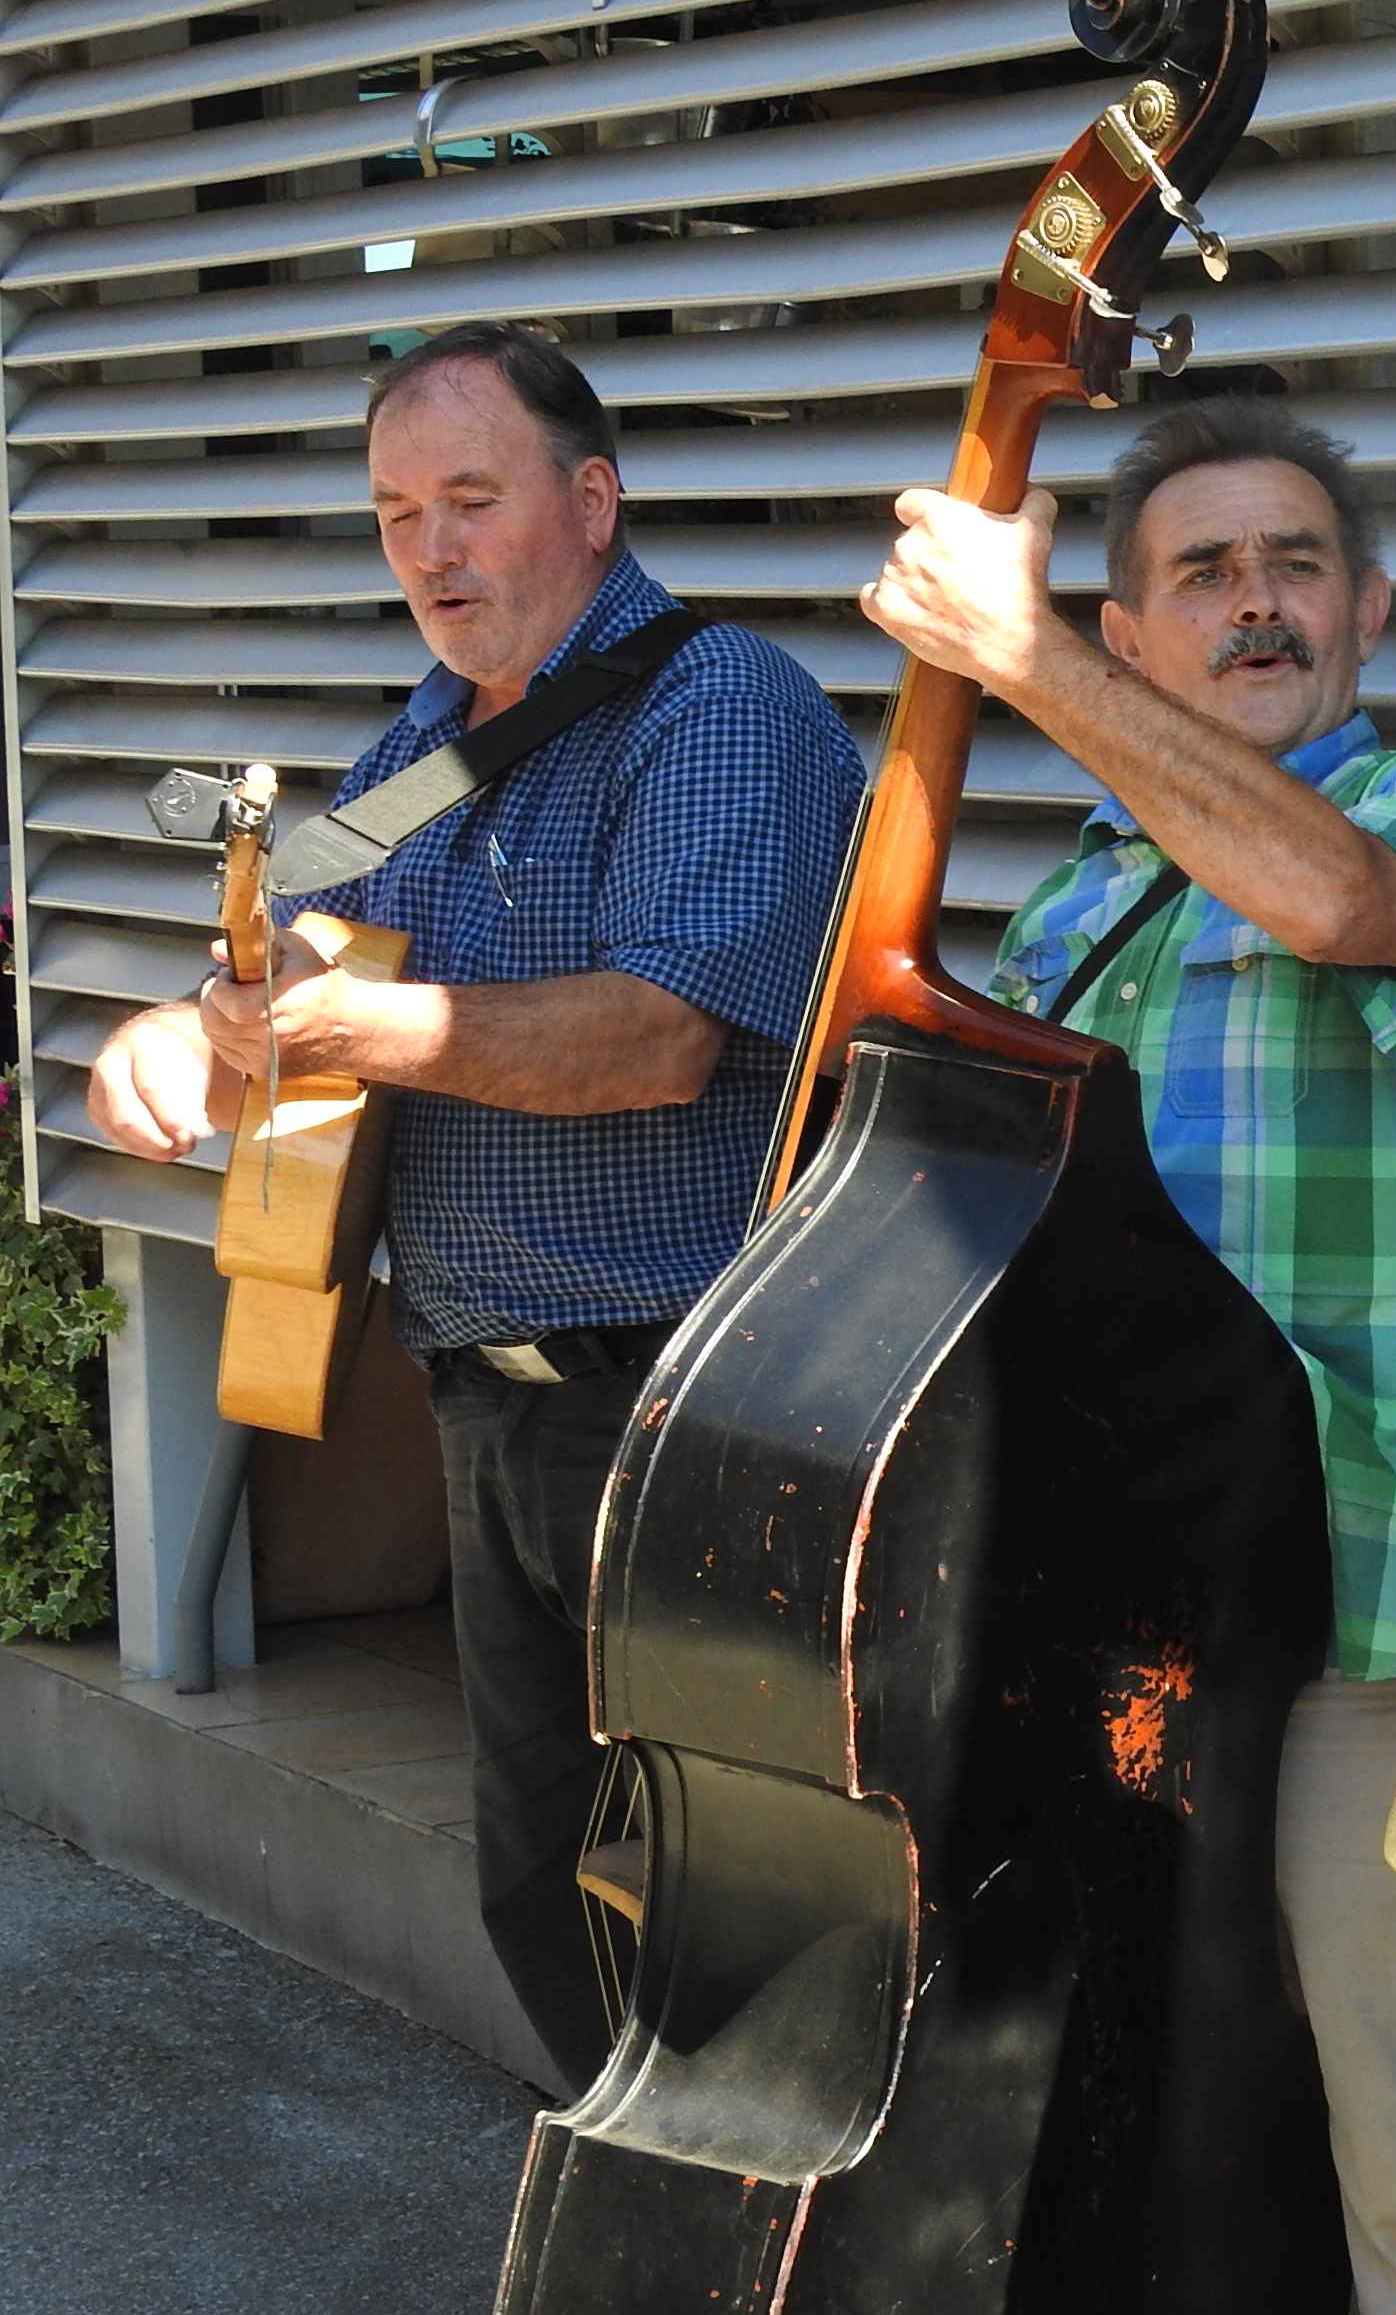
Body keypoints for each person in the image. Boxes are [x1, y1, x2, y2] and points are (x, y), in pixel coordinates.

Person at [86, 321, 868, 2095]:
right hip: (487, 1404)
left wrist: (345, 1031)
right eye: (395, 515)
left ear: (592, 502)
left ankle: (754, 2213)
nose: (430, 552)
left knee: (734, 1901)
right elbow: (298, 965)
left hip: (684, 1400)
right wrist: (184, 1033)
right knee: (543, 1890)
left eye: (470, 500)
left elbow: (660, 1037)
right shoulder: (427, 742)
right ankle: (643, 2192)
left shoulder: (719, 706)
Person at [858, 395, 1396, 2315]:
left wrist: (1018, 658)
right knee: (1156, 2124)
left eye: (1295, 566)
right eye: (1203, 573)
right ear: (1135, 631)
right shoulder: (1070, 908)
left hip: (1375, 1619)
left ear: (1368, 609)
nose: (1257, 603)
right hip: (1135, 1634)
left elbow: (1331, 902)